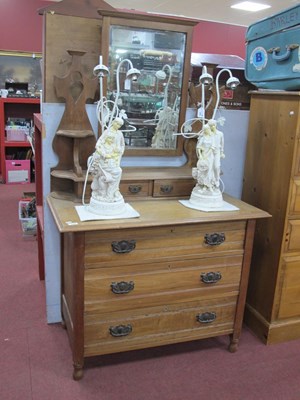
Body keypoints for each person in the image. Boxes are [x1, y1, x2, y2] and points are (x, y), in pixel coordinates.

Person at [89, 117, 125, 202]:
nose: (118, 126)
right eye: (117, 123)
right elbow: (98, 144)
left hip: (114, 159)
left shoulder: (119, 134)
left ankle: (113, 192)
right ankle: (107, 193)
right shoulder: (107, 132)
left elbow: (122, 145)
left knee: (118, 171)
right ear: (113, 122)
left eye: (120, 125)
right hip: (103, 161)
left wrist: (119, 151)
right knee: (116, 172)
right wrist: (104, 154)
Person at [193, 119, 225, 192]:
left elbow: (222, 143)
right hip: (208, 153)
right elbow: (200, 143)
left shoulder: (220, 134)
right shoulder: (207, 133)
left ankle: (216, 180)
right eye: (211, 126)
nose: (212, 127)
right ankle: (205, 183)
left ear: (216, 125)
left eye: (213, 125)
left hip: (216, 152)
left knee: (216, 166)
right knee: (206, 168)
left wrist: (222, 152)